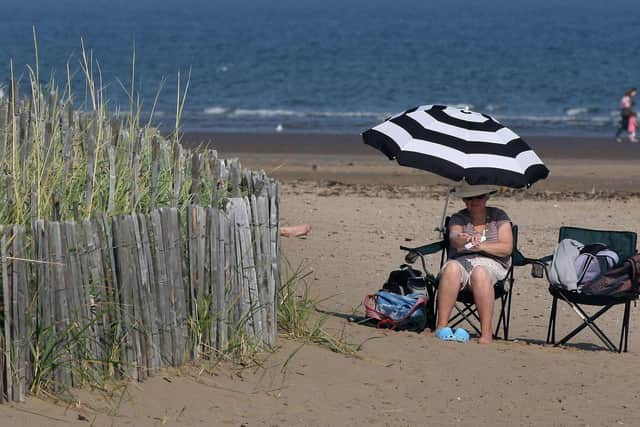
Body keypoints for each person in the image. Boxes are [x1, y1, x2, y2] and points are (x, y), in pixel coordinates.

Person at [434, 182, 513, 344]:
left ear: (486, 198)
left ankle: (486, 333)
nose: (474, 200)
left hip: (492, 263)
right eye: (469, 197)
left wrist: (481, 246)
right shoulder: (459, 218)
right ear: (464, 200)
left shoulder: (499, 216)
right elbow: (454, 239)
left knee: (480, 272)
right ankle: (441, 327)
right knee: (451, 268)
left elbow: (506, 248)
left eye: (479, 196)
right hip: (462, 260)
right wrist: (462, 239)